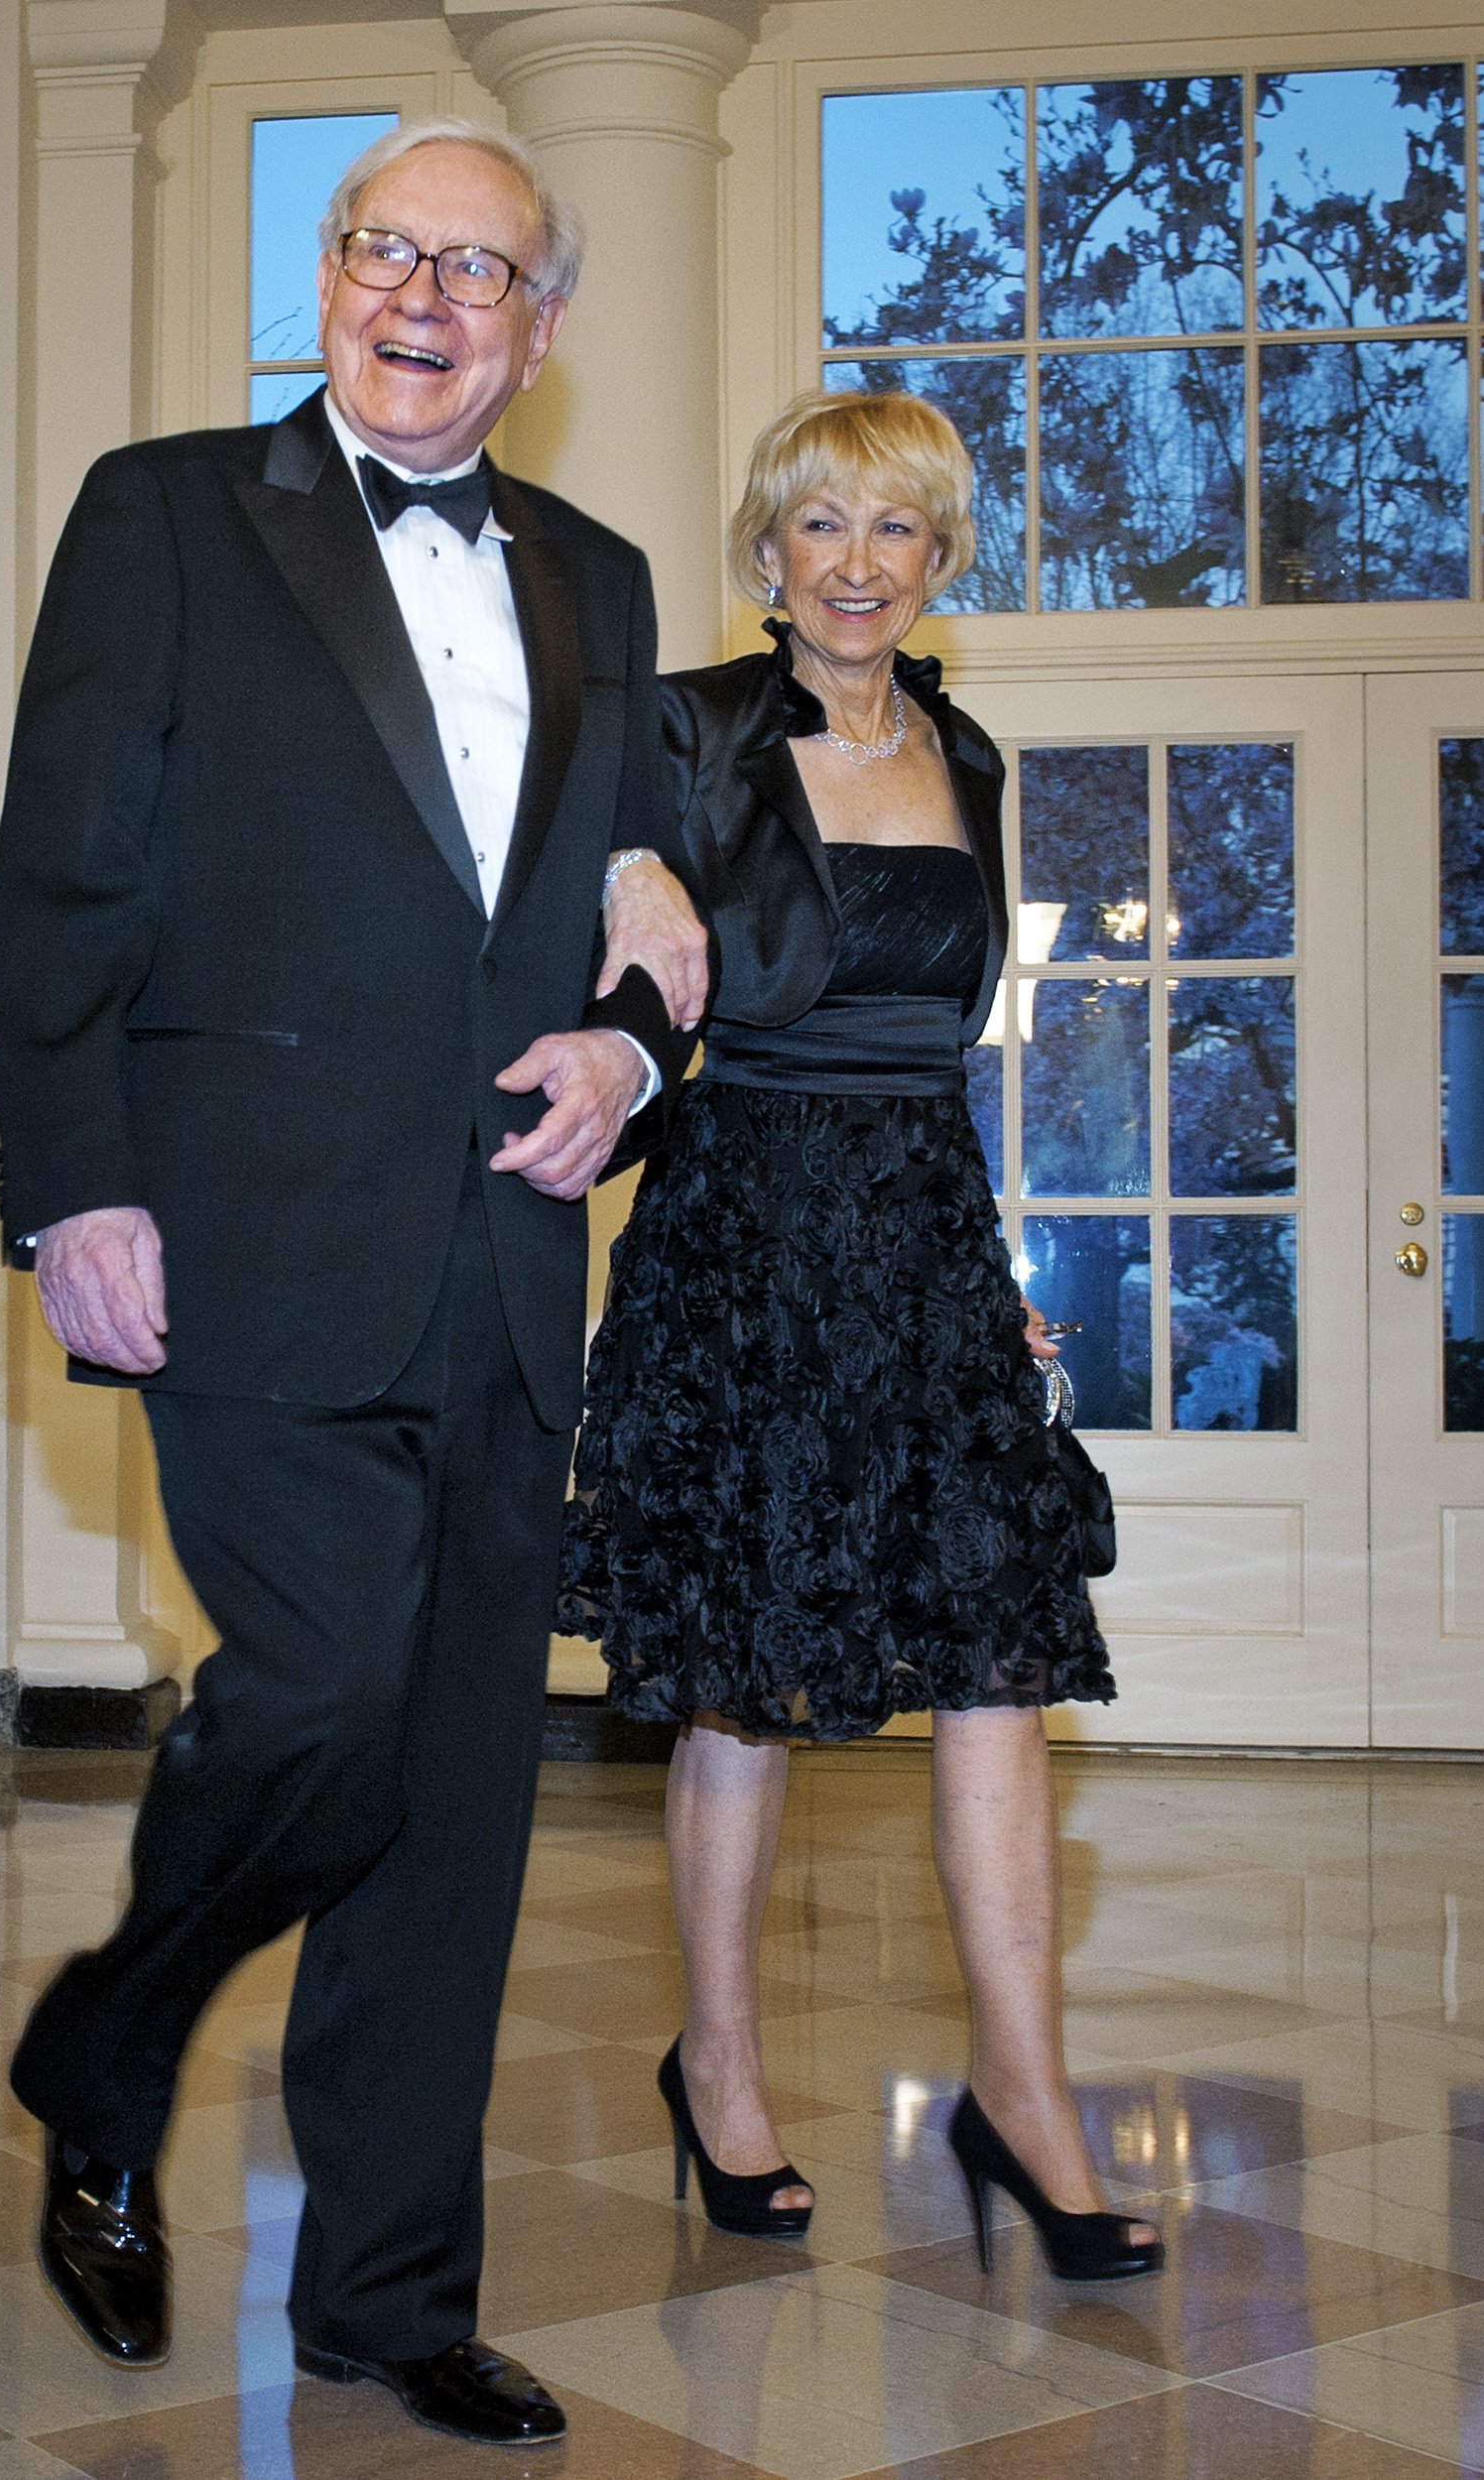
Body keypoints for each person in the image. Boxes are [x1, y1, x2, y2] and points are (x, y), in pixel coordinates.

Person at [0, 118, 707, 2448]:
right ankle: (110, 2043)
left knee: (456, 1798)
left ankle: (387, 2294)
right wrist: (69, 1180)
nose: (423, 294)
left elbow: (655, 894)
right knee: (320, 1695)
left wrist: (628, 1042)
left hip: (503, 1262)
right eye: (385, 247)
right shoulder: (168, 509)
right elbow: (64, 873)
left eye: (478, 267)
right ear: (328, 274)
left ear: (538, 326)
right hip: (243, 1238)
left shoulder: (598, 575)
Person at [559, 389, 1163, 2284]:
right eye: (822, 527)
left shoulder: (973, 757)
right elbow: (584, 875)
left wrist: (989, 1283)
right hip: (744, 1233)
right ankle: (718, 2065)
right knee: (744, 1675)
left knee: (999, 1657)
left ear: (937, 560)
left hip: (923, 1239)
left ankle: (1024, 2090)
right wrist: (626, 873)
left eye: (894, 530)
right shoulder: (684, 728)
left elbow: (957, 1036)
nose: (856, 565)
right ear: (770, 553)